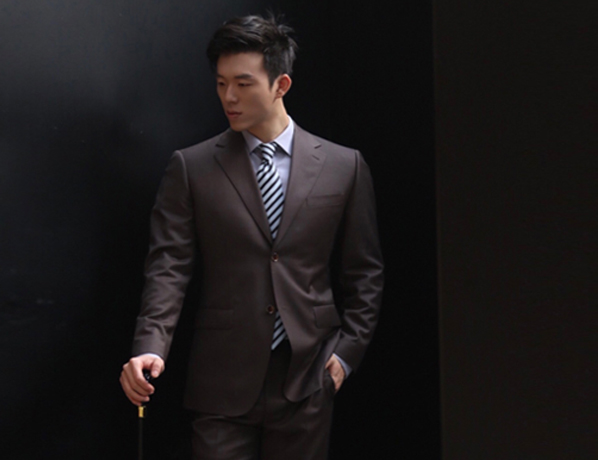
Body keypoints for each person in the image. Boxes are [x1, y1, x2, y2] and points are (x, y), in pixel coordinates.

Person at [119, 14, 383, 460]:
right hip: (221, 378)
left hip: (308, 376)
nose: (229, 96)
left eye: (243, 84)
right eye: (221, 83)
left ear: (281, 85)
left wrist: (344, 357)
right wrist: (150, 345)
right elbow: (168, 269)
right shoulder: (192, 168)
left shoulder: (344, 166)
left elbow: (365, 273)